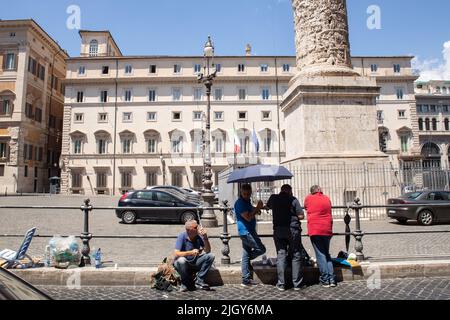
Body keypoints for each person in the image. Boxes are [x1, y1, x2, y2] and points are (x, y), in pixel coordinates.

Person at [266, 184, 305, 291]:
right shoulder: (293, 200)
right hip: (292, 230)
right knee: (296, 254)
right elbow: (301, 216)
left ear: (281, 190)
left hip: (278, 230)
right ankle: (297, 284)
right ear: (290, 191)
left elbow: (267, 207)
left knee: (281, 254)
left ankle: (281, 284)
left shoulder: (273, 198)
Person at [304, 185, 336, 288]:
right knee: (327, 254)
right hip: (327, 229)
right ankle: (332, 279)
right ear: (319, 190)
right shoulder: (326, 198)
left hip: (315, 229)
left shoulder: (309, 198)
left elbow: (305, 207)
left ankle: (325, 279)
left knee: (320, 255)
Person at [234, 184, 266, 287]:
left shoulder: (247, 201)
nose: (246, 195)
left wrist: (258, 208)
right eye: (244, 194)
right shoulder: (240, 203)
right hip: (246, 232)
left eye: (248, 194)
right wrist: (257, 208)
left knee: (246, 253)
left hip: (249, 231)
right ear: (241, 192)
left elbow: (255, 211)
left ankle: (246, 279)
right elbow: (248, 217)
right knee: (261, 249)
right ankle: (245, 263)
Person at [173, 220, 215, 292]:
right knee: (181, 260)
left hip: (194, 262)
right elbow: (176, 253)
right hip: (181, 264)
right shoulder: (182, 236)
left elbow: (207, 250)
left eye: (197, 226)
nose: (198, 228)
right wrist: (190, 252)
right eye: (195, 227)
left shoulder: (199, 236)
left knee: (211, 256)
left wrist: (205, 237)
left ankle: (199, 280)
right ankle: (185, 283)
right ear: (189, 230)